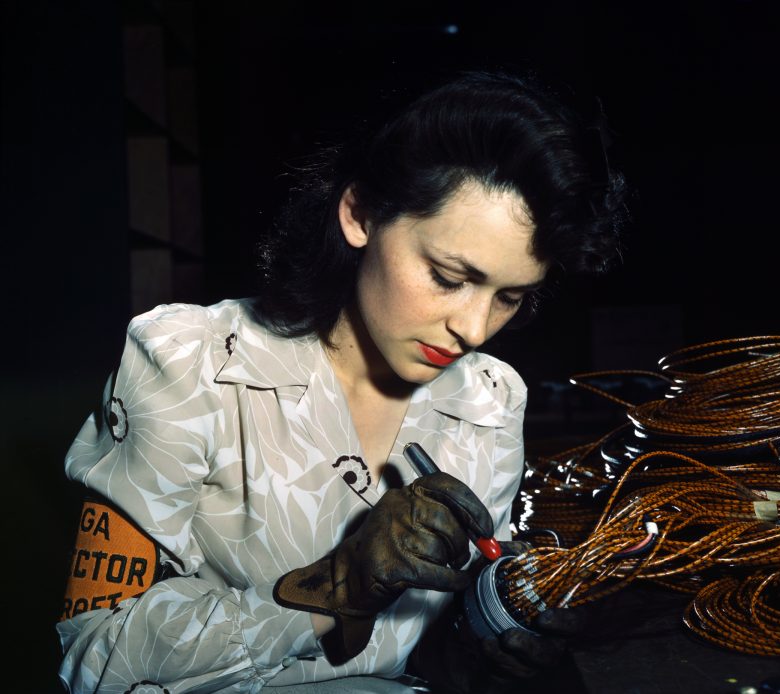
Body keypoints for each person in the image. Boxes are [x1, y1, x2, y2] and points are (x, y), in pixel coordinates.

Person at [56, 70, 627, 693]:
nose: (474, 328)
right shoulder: (190, 361)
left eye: (510, 297)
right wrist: (336, 586)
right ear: (360, 215)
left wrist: (497, 632)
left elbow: (429, 652)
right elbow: (93, 657)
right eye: (447, 275)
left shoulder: (490, 401)